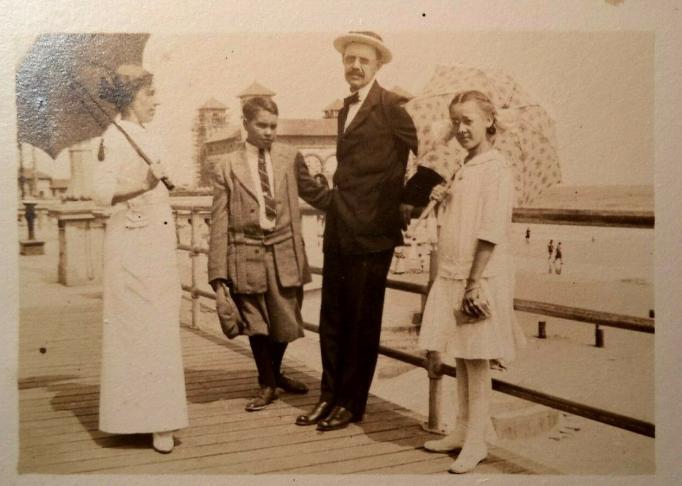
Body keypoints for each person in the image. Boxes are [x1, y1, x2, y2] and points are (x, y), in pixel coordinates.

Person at [295, 31, 443, 431]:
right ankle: (328, 396)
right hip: (341, 227)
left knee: (361, 321)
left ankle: (350, 403)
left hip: (373, 231)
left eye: (363, 60)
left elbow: (432, 154)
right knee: (332, 319)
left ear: (379, 65)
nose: (355, 67)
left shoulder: (393, 105)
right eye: (350, 60)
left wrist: (409, 198)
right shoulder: (346, 108)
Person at [417, 90, 526, 473]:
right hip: (455, 269)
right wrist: (442, 197)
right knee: (462, 354)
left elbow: (491, 228)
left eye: (469, 121)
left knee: (477, 359)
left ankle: (478, 438)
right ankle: (462, 428)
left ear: (489, 121)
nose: (461, 128)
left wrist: (475, 282)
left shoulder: (496, 167)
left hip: (479, 274)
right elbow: (458, 220)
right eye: (456, 121)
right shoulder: (465, 166)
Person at [207, 97, 332, 412]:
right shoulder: (226, 165)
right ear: (245, 124)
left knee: (285, 318)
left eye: (273, 126)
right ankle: (267, 383)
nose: (269, 132)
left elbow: (316, 194)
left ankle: (275, 374)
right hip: (245, 251)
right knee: (256, 321)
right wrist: (218, 273)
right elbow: (220, 220)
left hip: (284, 250)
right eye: (262, 125)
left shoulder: (290, 157)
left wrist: (357, 203)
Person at [92, 65, 188, 454]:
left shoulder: (150, 136)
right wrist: (143, 184)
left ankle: (159, 418)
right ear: (131, 96)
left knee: (161, 325)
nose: (156, 101)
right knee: (136, 327)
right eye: (150, 94)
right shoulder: (111, 139)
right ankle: (136, 419)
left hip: (157, 241)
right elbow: (100, 192)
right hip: (130, 244)